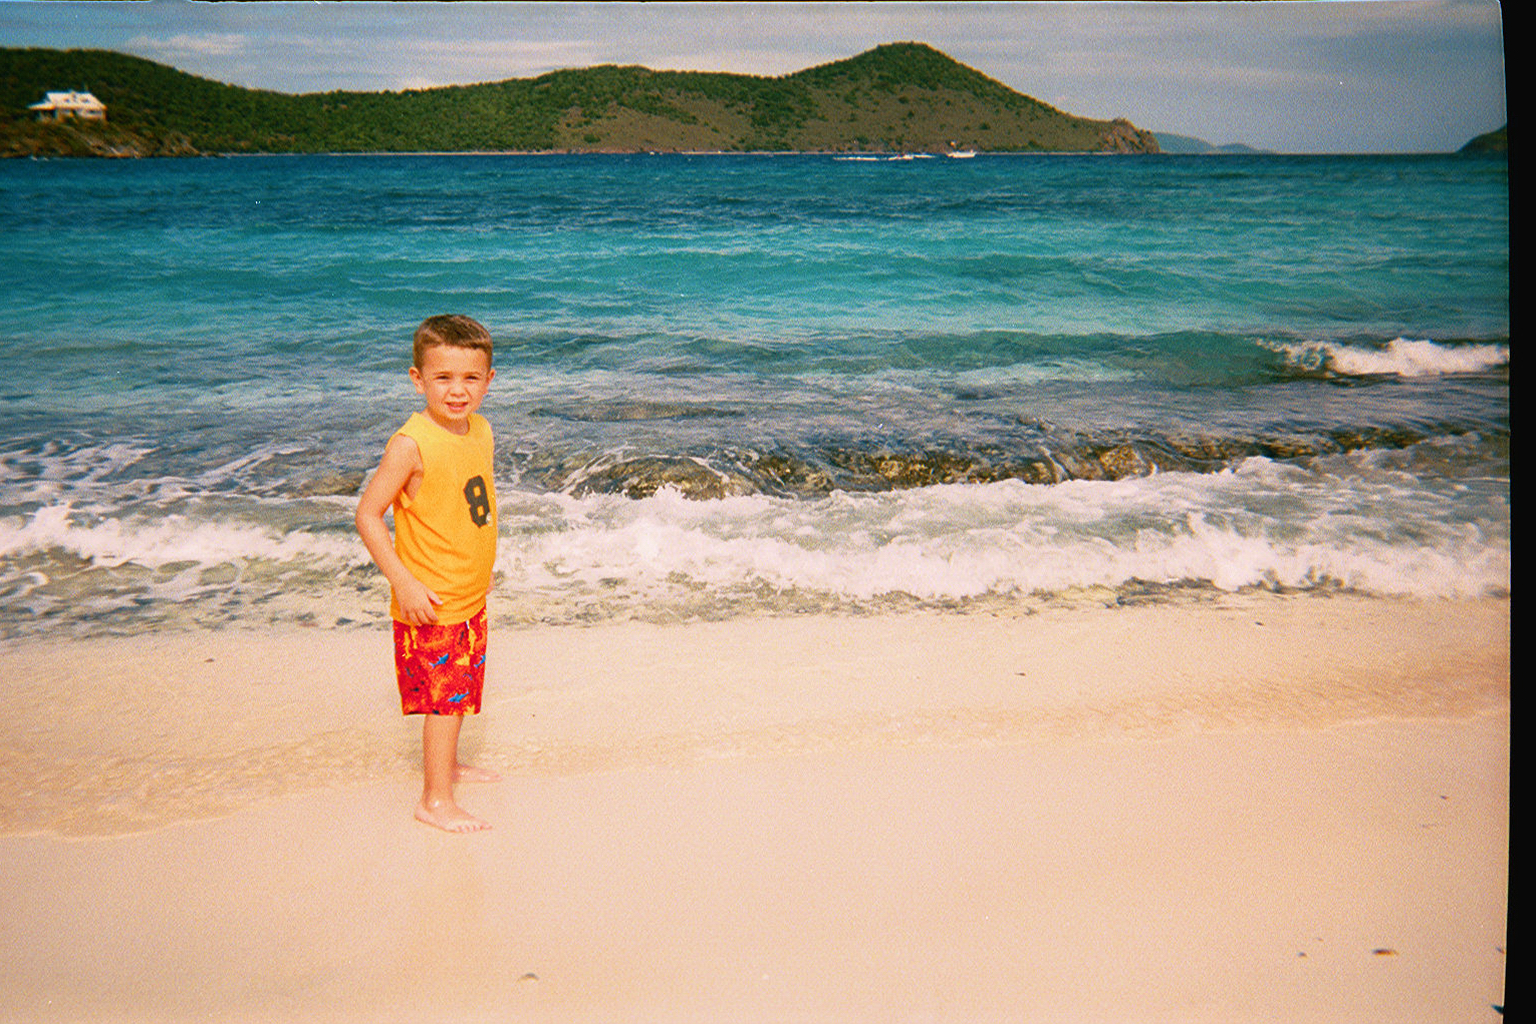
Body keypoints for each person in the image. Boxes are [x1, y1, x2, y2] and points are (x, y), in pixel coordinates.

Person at [356, 314, 502, 833]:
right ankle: (435, 799)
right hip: (431, 599)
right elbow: (368, 514)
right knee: (442, 701)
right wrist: (404, 581)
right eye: (443, 378)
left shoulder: (480, 429)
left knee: (458, 692)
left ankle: (448, 766)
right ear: (418, 379)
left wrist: (485, 566)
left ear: (489, 380)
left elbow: (470, 506)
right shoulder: (410, 444)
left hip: (468, 592)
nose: (457, 391)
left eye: (470, 378)